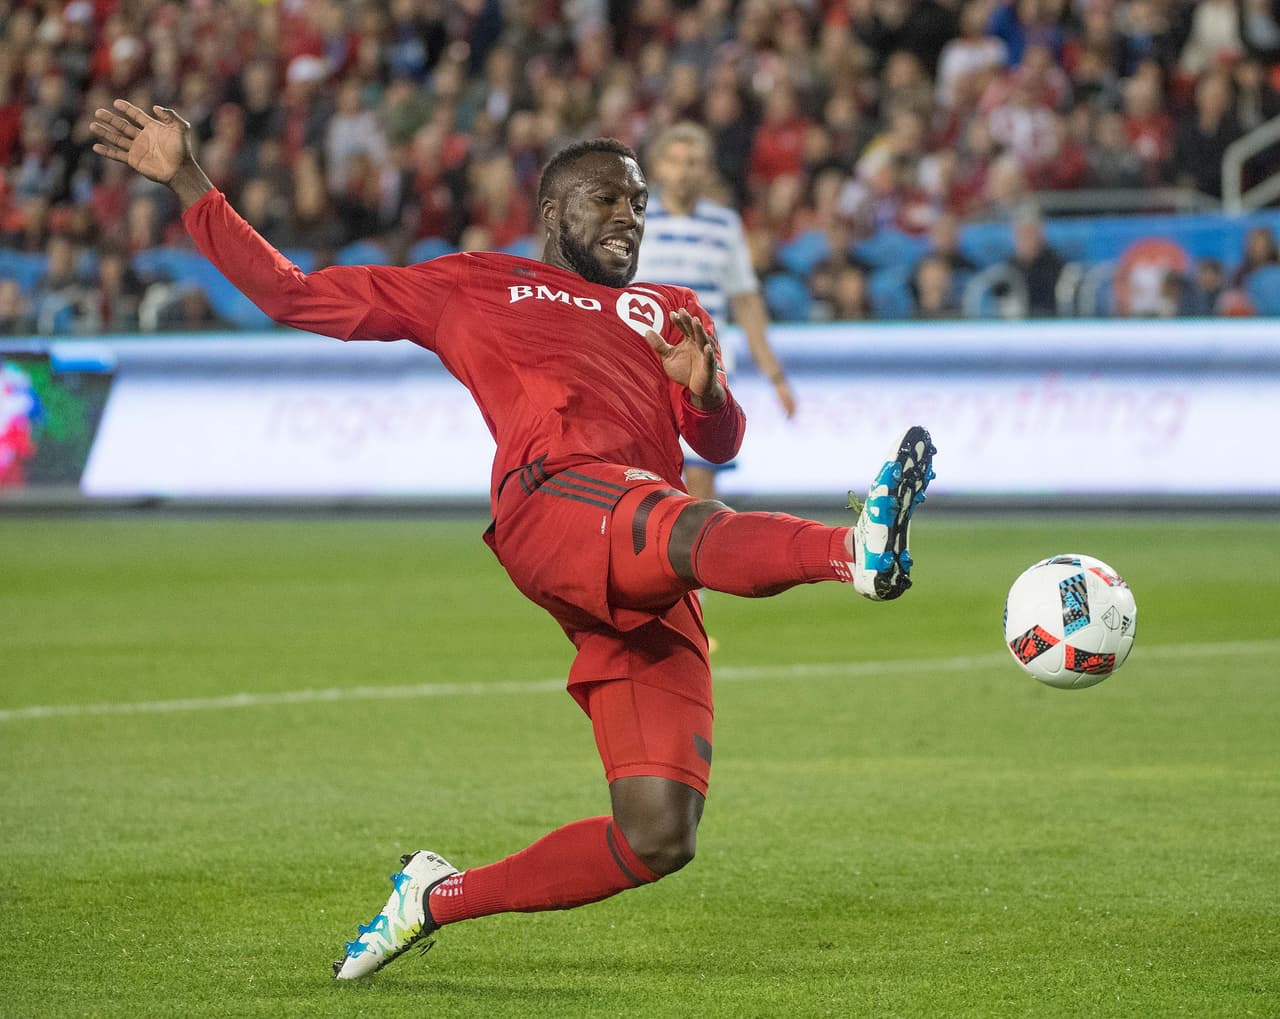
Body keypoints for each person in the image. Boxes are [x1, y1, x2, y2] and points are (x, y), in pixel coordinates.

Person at [91, 99, 936, 982]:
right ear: (553, 212)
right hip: (555, 500)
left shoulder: (670, 308)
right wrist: (188, 180)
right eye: (608, 199)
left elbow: (719, 444)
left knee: (657, 833)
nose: (629, 216)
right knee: (678, 515)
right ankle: (852, 550)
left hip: (646, 547)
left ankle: (435, 896)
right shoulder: (473, 281)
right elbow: (293, 294)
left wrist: (708, 389)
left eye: (639, 203)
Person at [635, 122, 796, 502]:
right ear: (658, 167)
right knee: (647, 477)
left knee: (701, 482)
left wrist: (775, 374)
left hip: (705, 365)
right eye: (675, 161)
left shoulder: (724, 225)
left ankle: (697, 543)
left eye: (692, 162)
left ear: (706, 170)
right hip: (645, 364)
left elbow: (746, 300)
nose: (683, 170)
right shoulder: (636, 221)